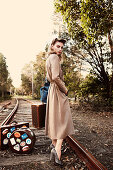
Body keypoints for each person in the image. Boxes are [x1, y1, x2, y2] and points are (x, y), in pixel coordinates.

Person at [45, 38, 74, 166]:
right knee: (63, 120)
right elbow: (56, 77)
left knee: (55, 120)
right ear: (52, 46)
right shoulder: (55, 58)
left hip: (52, 90)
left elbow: (50, 77)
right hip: (57, 90)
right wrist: (65, 89)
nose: (60, 49)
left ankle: (54, 147)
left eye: (62, 47)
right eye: (58, 46)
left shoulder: (49, 58)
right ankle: (57, 151)